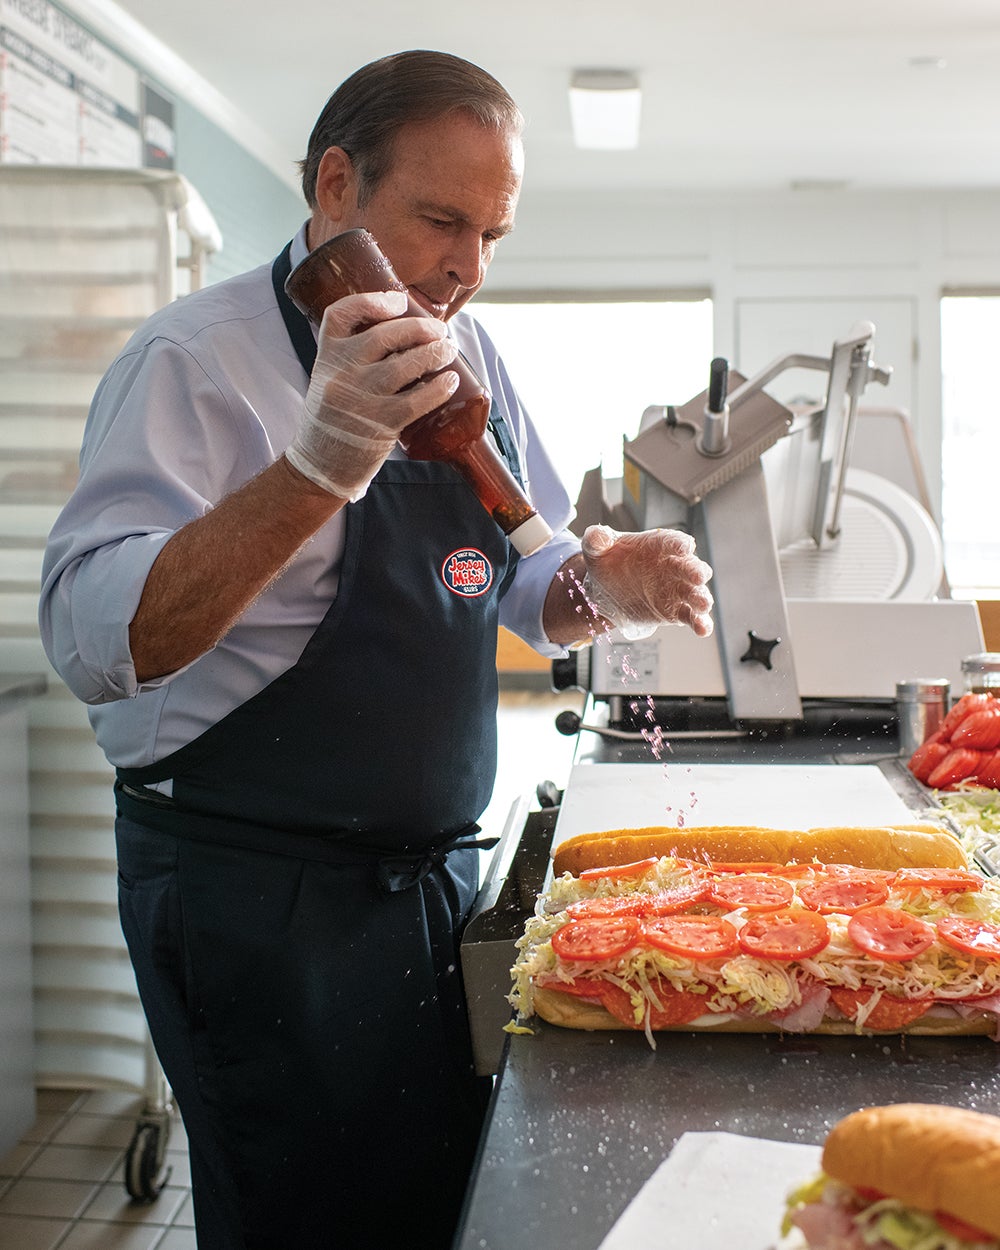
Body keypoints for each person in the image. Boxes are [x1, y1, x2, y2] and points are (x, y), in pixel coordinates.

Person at [39, 50, 714, 1250]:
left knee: (428, 1206)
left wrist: (602, 586)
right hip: (254, 896)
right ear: (338, 187)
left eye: (493, 233)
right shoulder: (192, 363)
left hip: (426, 882)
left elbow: (518, 576)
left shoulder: (475, 356)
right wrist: (312, 471)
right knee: (301, 1220)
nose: (466, 267)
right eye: (441, 220)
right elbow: (98, 642)